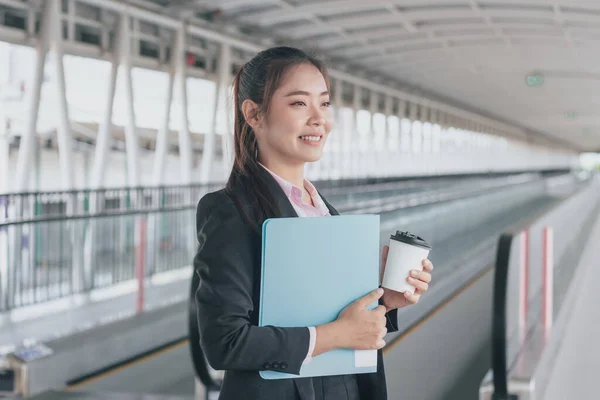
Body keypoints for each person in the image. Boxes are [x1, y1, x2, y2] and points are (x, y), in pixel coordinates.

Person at [193, 46, 434, 400]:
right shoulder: (230, 210)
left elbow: (329, 315)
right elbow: (225, 342)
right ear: (253, 114)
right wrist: (336, 336)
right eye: (298, 103)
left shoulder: (324, 210)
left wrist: (386, 300)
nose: (318, 118)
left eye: (324, 103)